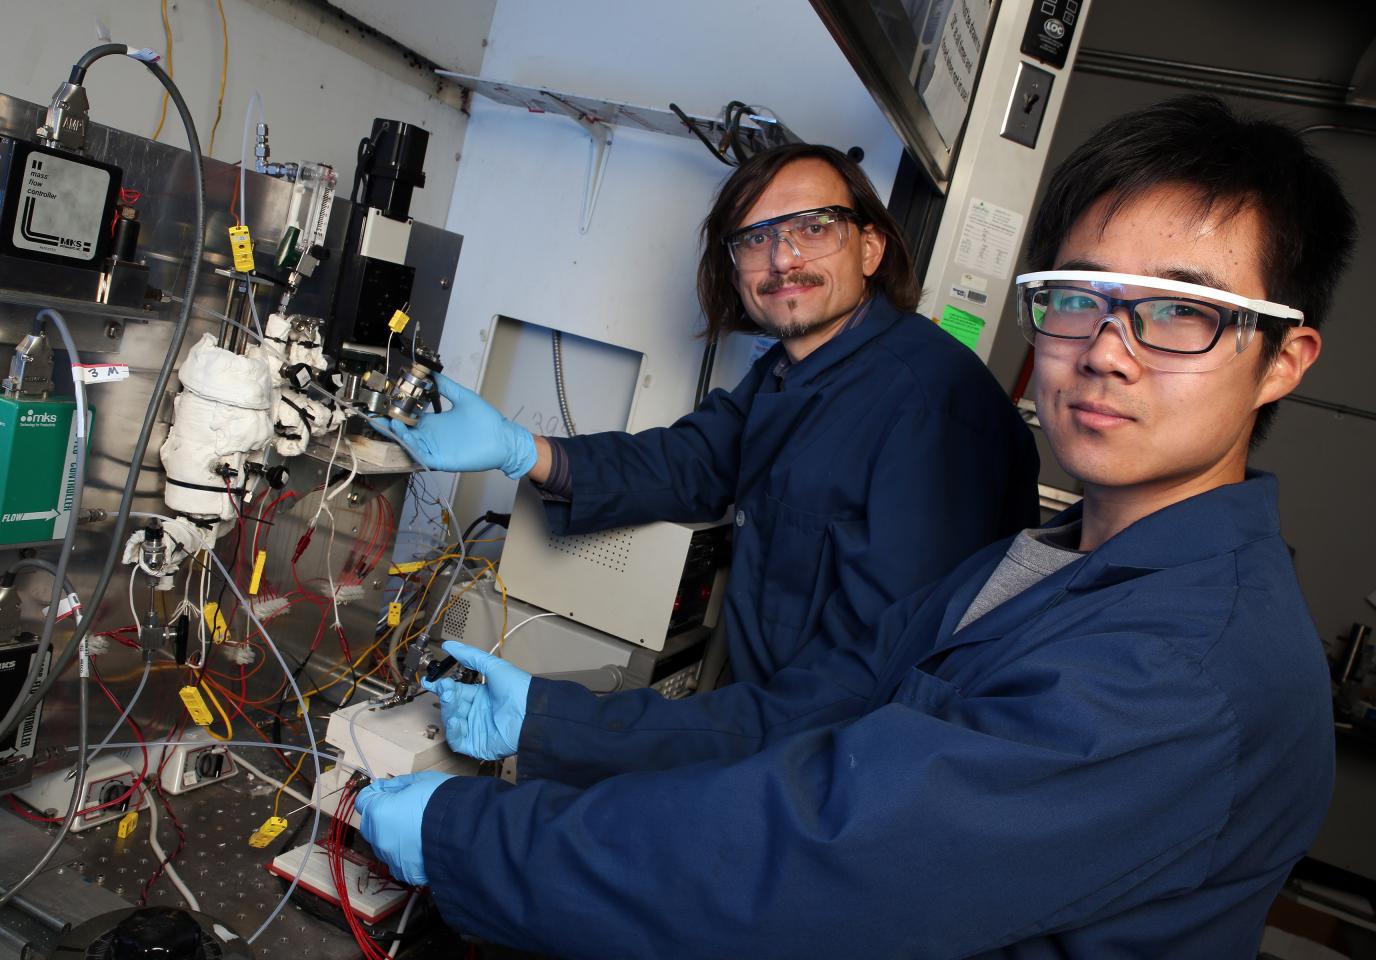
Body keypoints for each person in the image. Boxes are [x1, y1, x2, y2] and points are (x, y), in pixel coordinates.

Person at [358, 95, 1355, 957]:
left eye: (1179, 311)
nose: (1105, 350)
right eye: (1077, 298)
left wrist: (476, 837)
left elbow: (826, 842)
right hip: (788, 764)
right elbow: (722, 517)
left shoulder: (1171, 665)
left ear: (1284, 359)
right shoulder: (1038, 560)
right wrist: (522, 460)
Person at [378, 143, 1039, 684]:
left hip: (829, 750)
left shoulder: (934, 405)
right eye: (756, 239)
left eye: (814, 227)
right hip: (768, 716)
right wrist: (521, 449)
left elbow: (876, 674)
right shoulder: (790, 369)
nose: (783, 258)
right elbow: (690, 461)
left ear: (870, 247)